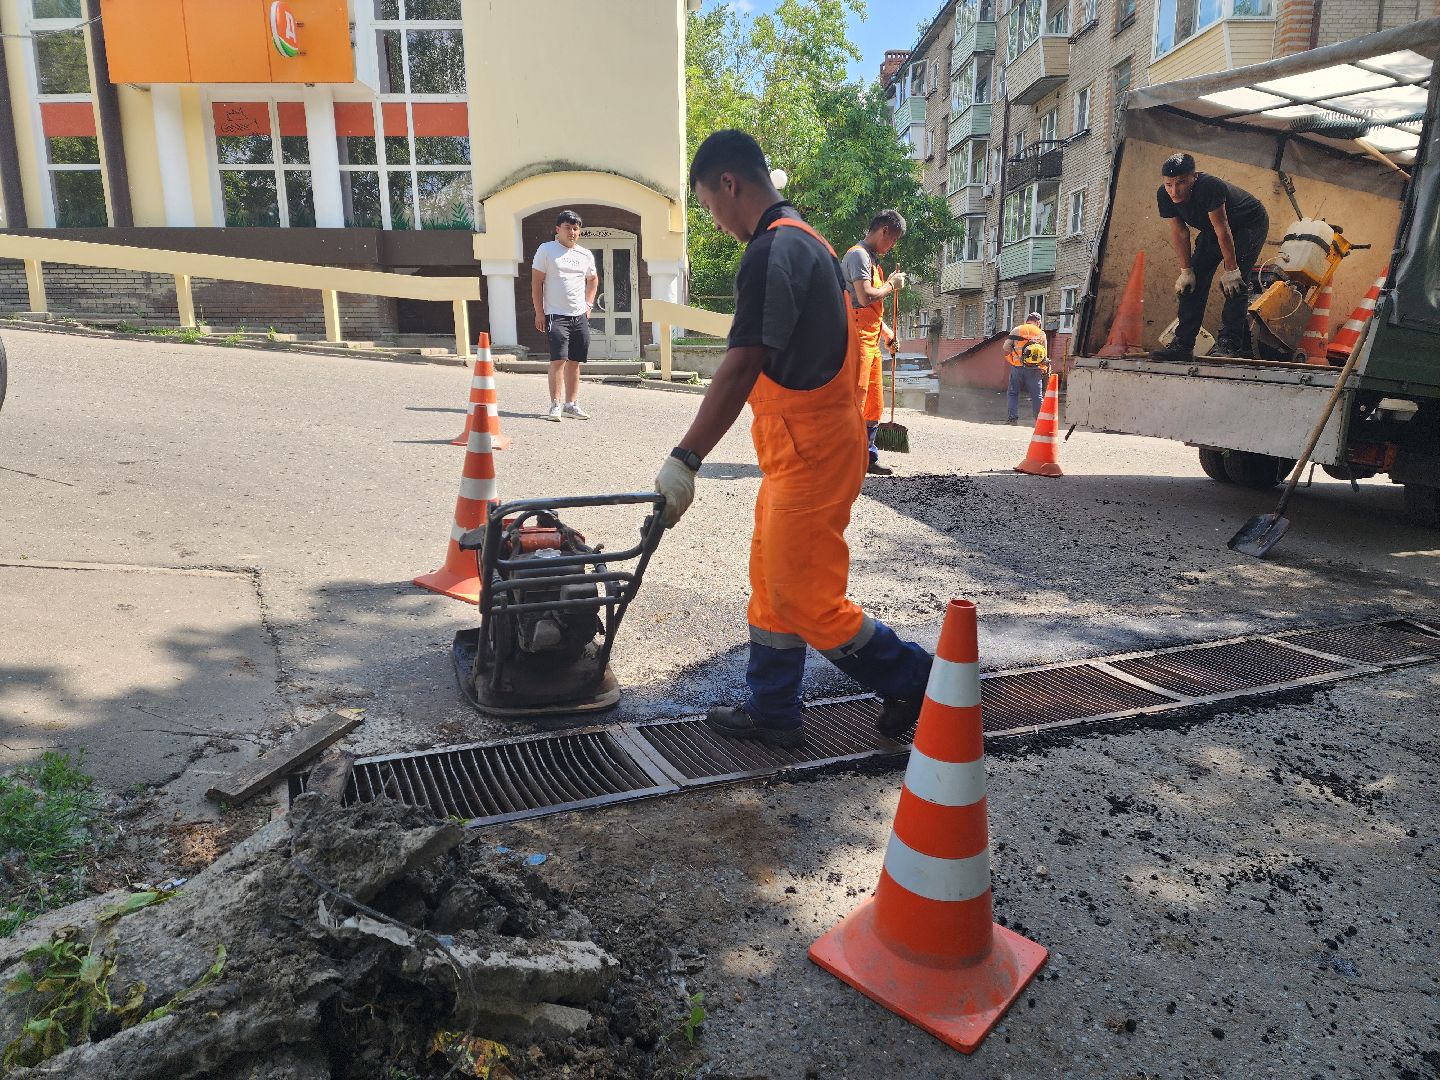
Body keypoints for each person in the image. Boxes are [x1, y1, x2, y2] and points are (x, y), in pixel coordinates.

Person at [652, 130, 934, 748]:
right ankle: (773, 708)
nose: (713, 219)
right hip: (801, 450)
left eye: (706, 203)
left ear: (730, 184)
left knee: (802, 592)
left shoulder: (772, 252)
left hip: (811, 452)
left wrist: (686, 459)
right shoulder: (810, 243)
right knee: (771, 580)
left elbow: (743, 361)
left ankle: (916, 678)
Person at [1150, 153, 1269, 362]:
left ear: (1194, 177)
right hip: (1214, 229)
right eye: (1169, 184)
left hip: (1248, 224)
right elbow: (1180, 232)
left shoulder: (1209, 186)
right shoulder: (1164, 195)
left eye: (1181, 183)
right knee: (1193, 282)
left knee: (1235, 283)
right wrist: (1185, 271)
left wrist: (1231, 270)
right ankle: (1183, 345)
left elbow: (1222, 228)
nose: (1174, 191)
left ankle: (1229, 343)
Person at [841, 211, 908, 475]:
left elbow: (872, 313)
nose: (891, 247)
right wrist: (891, 285)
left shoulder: (873, 262)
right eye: (893, 240)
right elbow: (865, 296)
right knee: (854, 401)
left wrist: (887, 334)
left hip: (871, 341)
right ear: (883, 231)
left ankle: (868, 457)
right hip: (855, 341)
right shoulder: (858, 255)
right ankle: (845, 458)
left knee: (872, 404)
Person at [530, 209, 599, 421]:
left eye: (576, 229)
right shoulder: (546, 250)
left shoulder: (585, 255)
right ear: (558, 229)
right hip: (555, 315)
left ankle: (571, 404)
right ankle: (555, 405)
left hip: (579, 316)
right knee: (558, 359)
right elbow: (536, 282)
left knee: (575, 361)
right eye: (568, 228)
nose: (572, 232)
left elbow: (593, 280)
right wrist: (539, 312)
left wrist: (588, 304)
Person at [1004, 311, 1048, 424]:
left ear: (1028, 320)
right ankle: (1039, 421)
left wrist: (1016, 354)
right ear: (1038, 322)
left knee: (1013, 393)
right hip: (1035, 369)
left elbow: (1006, 347)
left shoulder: (1017, 330)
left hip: (1018, 367)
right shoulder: (1041, 333)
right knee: (1037, 396)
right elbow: (1044, 354)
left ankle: (1012, 419)